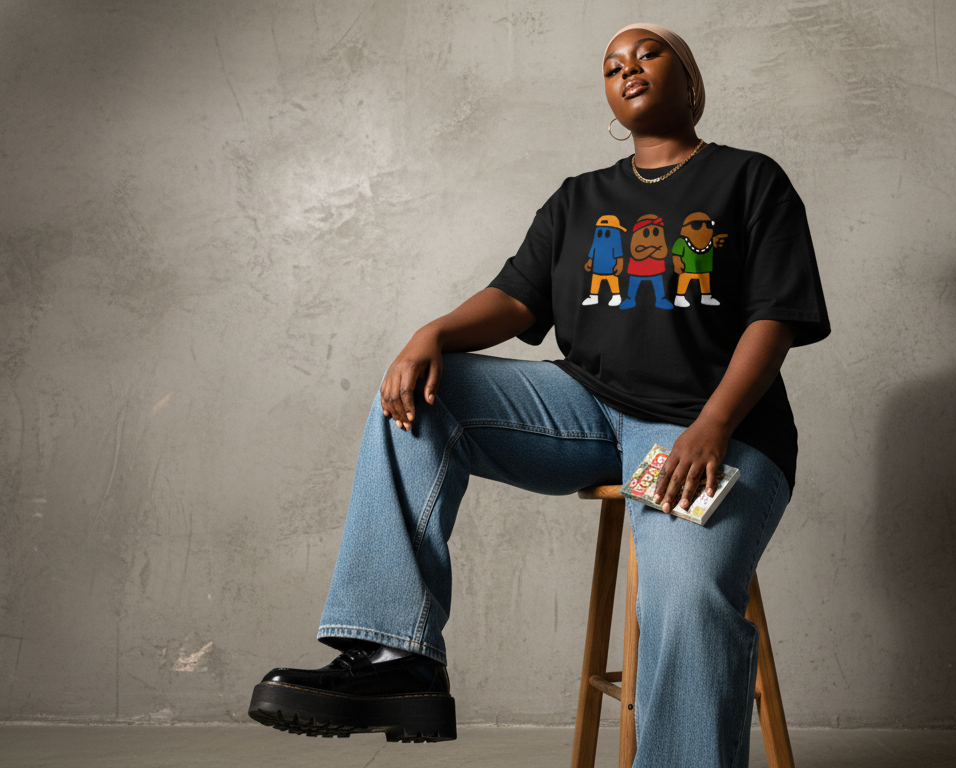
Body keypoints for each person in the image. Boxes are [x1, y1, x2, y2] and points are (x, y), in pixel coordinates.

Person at [247, 22, 830, 767]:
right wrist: (433, 332)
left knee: (684, 595)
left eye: (648, 55)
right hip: (586, 408)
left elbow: (774, 318)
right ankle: (397, 661)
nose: (628, 69)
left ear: (691, 82)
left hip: (700, 429)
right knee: (423, 389)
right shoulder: (580, 198)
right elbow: (517, 301)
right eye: (613, 64)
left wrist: (713, 424)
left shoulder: (751, 180)